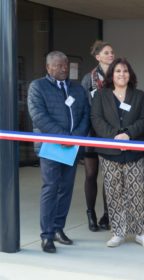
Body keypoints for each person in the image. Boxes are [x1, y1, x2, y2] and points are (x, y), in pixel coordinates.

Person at [27, 51, 90, 253]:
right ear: (48, 68)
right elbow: (38, 116)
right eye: (58, 66)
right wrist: (62, 136)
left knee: (66, 189)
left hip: (71, 146)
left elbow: (85, 115)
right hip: (51, 146)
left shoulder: (77, 88)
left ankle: (58, 228)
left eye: (65, 65)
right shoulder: (38, 87)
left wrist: (74, 138)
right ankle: (46, 235)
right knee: (51, 188)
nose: (63, 69)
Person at [90, 58, 144, 249]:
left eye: (125, 71)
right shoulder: (100, 95)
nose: (121, 74)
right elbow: (96, 119)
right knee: (113, 192)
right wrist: (115, 136)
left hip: (133, 151)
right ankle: (118, 232)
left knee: (136, 193)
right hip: (109, 152)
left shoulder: (139, 95)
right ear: (112, 75)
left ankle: (140, 232)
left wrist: (129, 134)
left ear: (130, 74)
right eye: (118, 71)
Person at [81, 40, 115, 232]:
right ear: (98, 57)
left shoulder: (117, 75)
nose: (111, 55)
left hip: (110, 132)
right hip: (92, 133)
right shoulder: (89, 78)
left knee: (108, 175)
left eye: (112, 52)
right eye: (107, 52)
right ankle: (90, 213)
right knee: (91, 174)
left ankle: (107, 215)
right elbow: (84, 106)